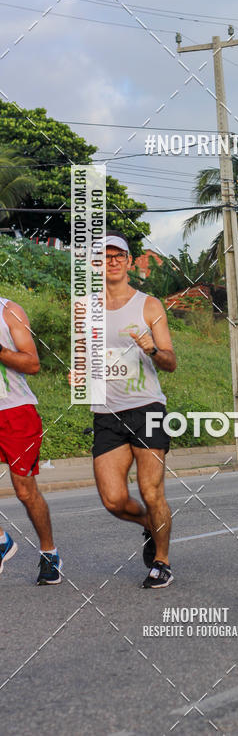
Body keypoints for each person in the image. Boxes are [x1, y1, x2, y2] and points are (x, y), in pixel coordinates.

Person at [79, 232, 177, 588]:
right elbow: (85, 358)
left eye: (118, 255)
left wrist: (152, 349)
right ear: (96, 265)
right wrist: (79, 373)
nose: (113, 261)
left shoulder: (149, 305)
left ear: (129, 260)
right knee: (113, 499)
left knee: (151, 491)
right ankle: (151, 525)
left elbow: (170, 362)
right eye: (105, 257)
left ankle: (162, 562)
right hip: (107, 413)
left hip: (146, 407)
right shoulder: (84, 308)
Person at [0, 297, 62, 584]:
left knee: (25, 491)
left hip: (15, 411)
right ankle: (2, 540)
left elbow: (32, 363)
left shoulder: (9, 311)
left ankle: (49, 553)